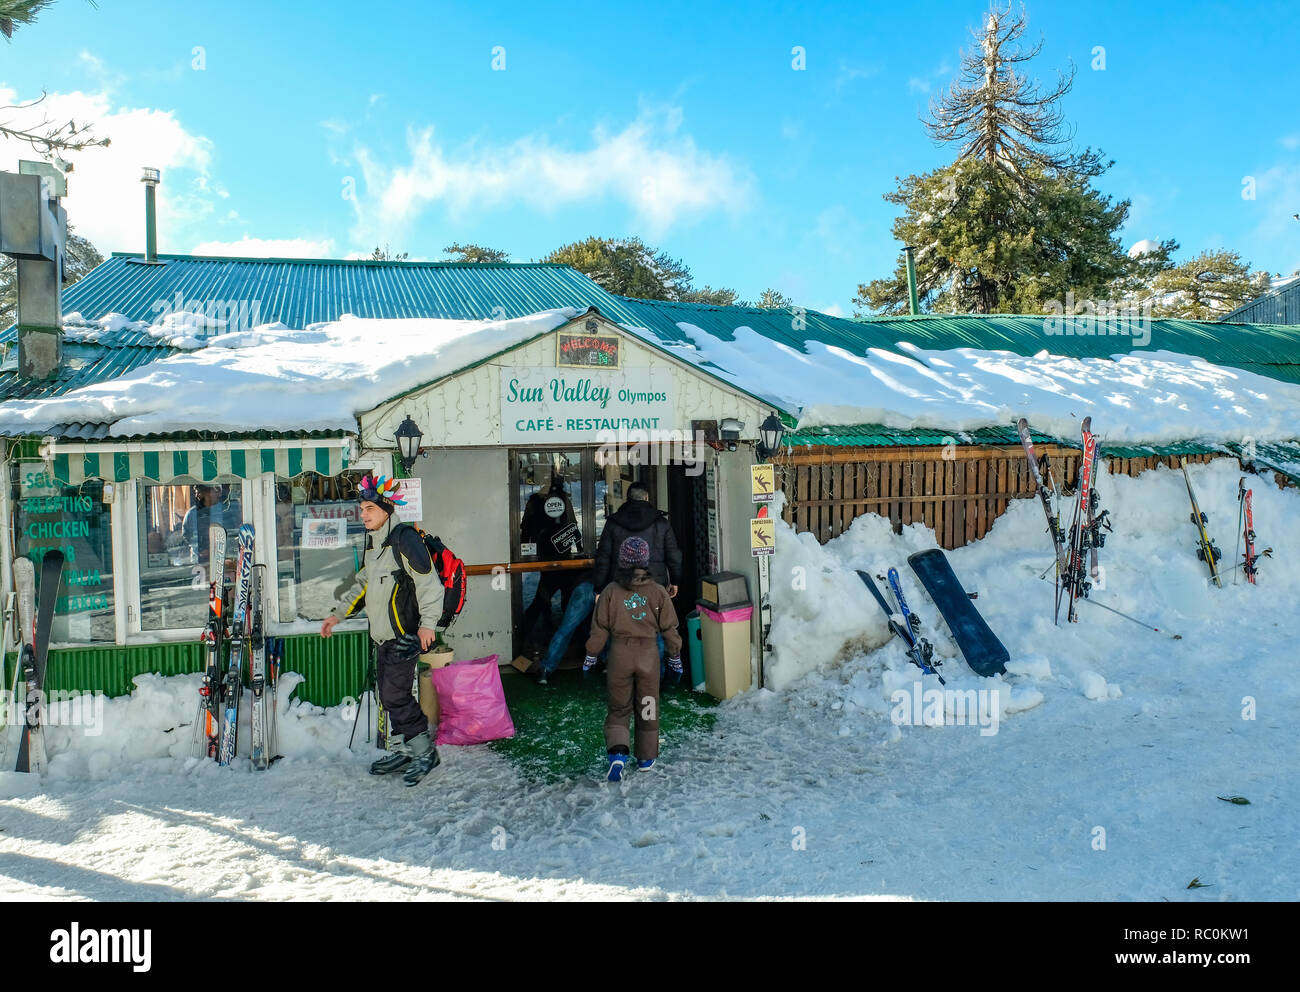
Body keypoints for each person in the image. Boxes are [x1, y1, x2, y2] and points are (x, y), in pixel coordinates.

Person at [320, 474, 444, 787]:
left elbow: (429, 584)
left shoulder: (405, 540)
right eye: (361, 509)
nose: (363, 515)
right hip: (382, 638)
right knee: (388, 697)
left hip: (404, 635)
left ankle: (425, 752)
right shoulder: (377, 546)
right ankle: (405, 750)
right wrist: (338, 615)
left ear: (386, 510)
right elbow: (364, 586)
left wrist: (428, 624)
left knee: (395, 695)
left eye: (368, 509)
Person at [584, 537, 682, 782]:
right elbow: (670, 628)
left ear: (622, 561)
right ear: (645, 562)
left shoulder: (610, 592)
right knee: (648, 705)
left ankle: (618, 754)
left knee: (619, 708)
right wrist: (675, 656)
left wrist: (591, 655)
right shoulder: (659, 592)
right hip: (649, 656)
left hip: (620, 656)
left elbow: (599, 629)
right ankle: (646, 758)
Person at [592, 482, 681, 599]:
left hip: (620, 583)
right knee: (652, 615)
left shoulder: (613, 523)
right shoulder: (661, 523)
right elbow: (673, 556)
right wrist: (675, 581)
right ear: (647, 498)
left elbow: (603, 558)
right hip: (655, 582)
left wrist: (599, 588)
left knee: (621, 616)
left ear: (627, 499)